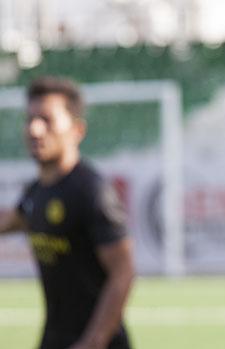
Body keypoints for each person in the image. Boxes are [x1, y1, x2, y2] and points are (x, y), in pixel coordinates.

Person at [0, 76, 135, 349]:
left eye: (47, 120)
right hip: (53, 338)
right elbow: (11, 221)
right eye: (30, 119)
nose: (35, 130)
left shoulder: (92, 192)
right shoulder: (37, 191)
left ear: (76, 130)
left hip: (97, 343)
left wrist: (93, 341)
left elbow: (123, 272)